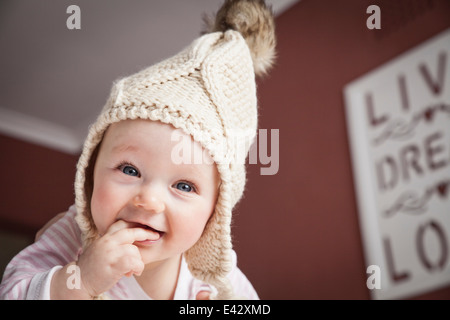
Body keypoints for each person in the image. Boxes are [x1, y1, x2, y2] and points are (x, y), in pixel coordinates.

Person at [0, 0, 276, 300]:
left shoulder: (218, 282)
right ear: (91, 172)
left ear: (215, 213)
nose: (149, 201)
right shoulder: (73, 236)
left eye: (184, 185)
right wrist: (82, 280)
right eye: (129, 169)